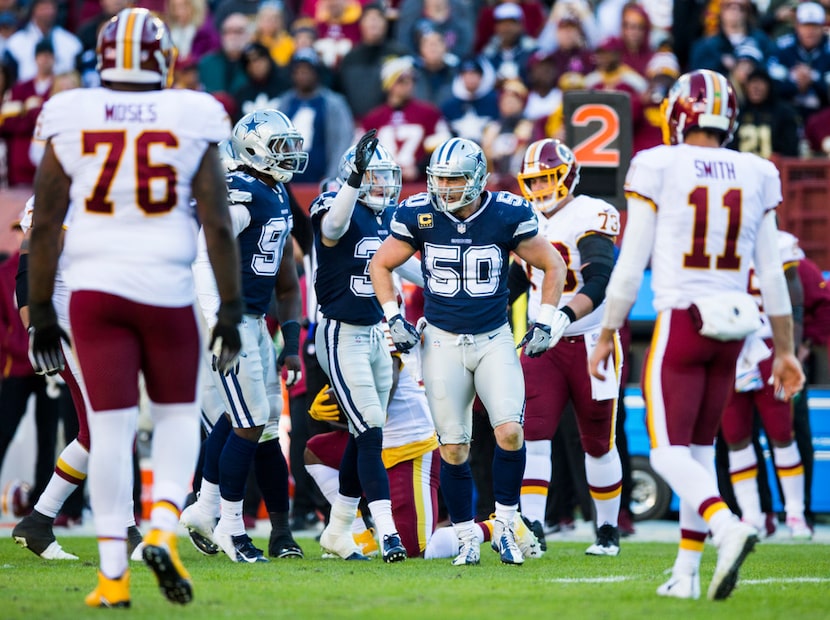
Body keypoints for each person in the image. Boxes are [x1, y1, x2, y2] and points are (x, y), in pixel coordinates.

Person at [26, 8, 243, 608]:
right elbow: (218, 224)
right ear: (163, 57)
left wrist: (41, 309)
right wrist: (230, 308)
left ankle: (112, 578)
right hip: (166, 287)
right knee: (175, 421)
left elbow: (44, 224)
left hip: (94, 291)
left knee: (111, 430)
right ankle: (164, 530)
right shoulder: (192, 112)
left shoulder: (71, 113)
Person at [589, 69, 805, 601]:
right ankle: (685, 576)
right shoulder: (757, 171)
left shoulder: (659, 163)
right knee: (700, 453)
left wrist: (607, 330)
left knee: (666, 453)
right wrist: (785, 349)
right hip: (735, 327)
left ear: (678, 114)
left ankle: (725, 524)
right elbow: (773, 273)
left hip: (684, 319)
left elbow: (630, 259)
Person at [369, 137, 568, 566]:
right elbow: (380, 264)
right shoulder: (418, 212)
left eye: (454, 179)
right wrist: (393, 316)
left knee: (511, 433)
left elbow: (554, 264)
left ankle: (507, 526)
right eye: (439, 179)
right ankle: (464, 536)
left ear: (477, 177)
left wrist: (547, 320)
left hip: (493, 338)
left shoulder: (505, 212)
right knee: (454, 447)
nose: (445, 187)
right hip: (441, 341)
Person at [180, 110, 305, 564]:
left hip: (252, 320)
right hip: (226, 319)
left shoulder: (273, 190)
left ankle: (206, 508)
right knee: (248, 420)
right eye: (281, 146)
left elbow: (286, 279)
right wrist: (219, 321)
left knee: (251, 419)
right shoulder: (243, 191)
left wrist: (286, 343)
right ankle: (232, 530)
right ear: (254, 149)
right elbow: (201, 255)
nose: (291, 154)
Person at [11, 198, 144, 562]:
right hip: (71, 326)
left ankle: (39, 520)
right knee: (114, 427)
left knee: (98, 432)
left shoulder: (116, 194)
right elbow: (29, 266)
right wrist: (35, 326)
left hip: (102, 326)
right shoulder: (62, 194)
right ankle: (124, 528)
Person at [511, 139, 624, 556]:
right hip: (545, 343)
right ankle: (534, 528)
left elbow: (600, 277)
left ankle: (608, 531)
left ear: (567, 176)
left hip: (593, 338)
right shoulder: (523, 218)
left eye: (547, 178)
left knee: (597, 440)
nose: (540, 188)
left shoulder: (589, 212)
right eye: (533, 180)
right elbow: (516, 282)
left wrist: (563, 316)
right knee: (533, 433)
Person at [720, 230, 811, 539]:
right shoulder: (718, 241)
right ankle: (752, 515)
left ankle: (795, 514)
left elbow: (795, 305)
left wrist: (791, 351)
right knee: (735, 435)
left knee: (782, 432)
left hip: (769, 346)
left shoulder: (781, 243)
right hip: (730, 345)